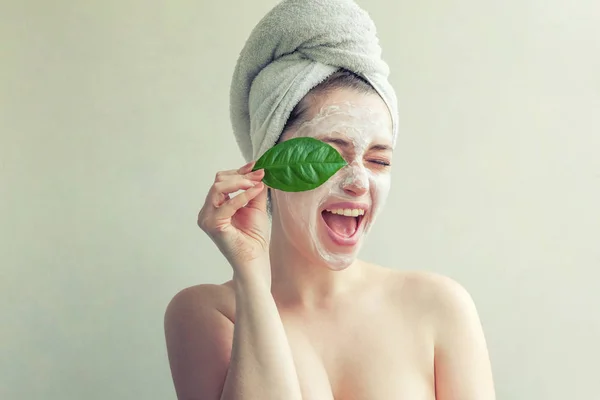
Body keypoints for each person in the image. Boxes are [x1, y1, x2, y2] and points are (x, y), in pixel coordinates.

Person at [164, 2, 495, 400]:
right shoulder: (208, 313)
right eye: (330, 156)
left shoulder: (439, 307)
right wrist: (252, 275)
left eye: (379, 160)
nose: (359, 182)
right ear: (272, 162)